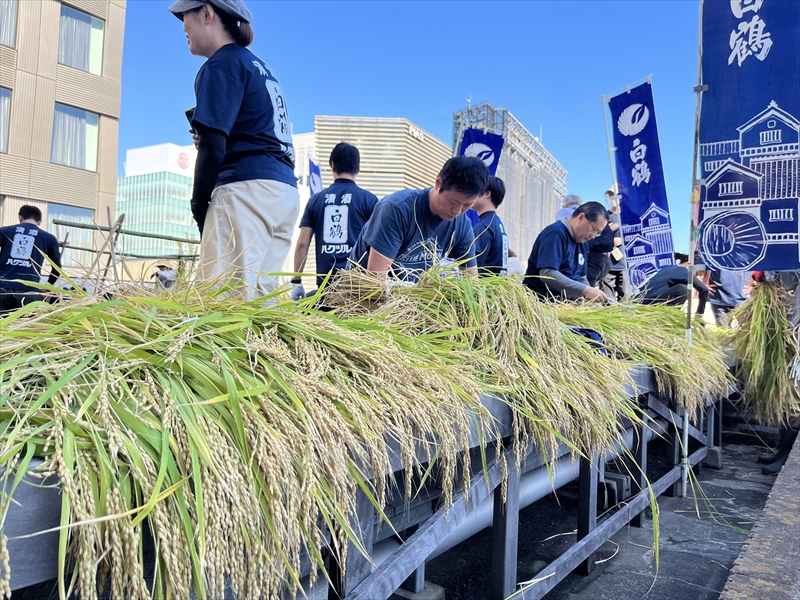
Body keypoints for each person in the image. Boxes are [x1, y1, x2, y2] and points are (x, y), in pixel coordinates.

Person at [169, 0, 299, 299]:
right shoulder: (259, 66)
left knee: (222, 304)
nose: (183, 26)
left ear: (206, 12)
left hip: (246, 192)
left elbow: (213, 148)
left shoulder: (221, 64)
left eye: (184, 17)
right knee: (261, 302)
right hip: (282, 191)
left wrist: (200, 207)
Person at [349, 156, 487, 280]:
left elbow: (471, 281)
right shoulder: (397, 209)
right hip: (362, 295)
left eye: (467, 205)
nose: (457, 211)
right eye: (453, 202)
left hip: (411, 298)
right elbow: (375, 278)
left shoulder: (461, 224)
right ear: (438, 183)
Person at [290, 143, 378, 300]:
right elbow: (378, 243)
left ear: (332, 166)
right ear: (358, 169)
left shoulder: (315, 200)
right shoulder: (369, 200)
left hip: (326, 288)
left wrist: (296, 281)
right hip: (358, 289)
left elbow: (302, 243)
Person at [523, 200, 609, 302]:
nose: (593, 236)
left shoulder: (582, 243)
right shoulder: (556, 234)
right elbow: (547, 273)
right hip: (542, 302)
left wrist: (590, 300)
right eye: (594, 230)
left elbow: (581, 277)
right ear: (580, 217)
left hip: (567, 304)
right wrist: (585, 290)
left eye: (597, 233)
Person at [0, 205, 62, 313]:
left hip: (3, 289)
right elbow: (57, 268)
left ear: (20, 217)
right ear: (39, 222)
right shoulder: (49, 238)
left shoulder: (4, 231)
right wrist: (48, 286)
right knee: (23, 328)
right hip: (30, 294)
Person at [638, 253, 709, 314]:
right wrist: (699, 315)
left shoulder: (670, 269)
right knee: (683, 289)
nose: (697, 277)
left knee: (682, 288)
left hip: (643, 302)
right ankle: (668, 318)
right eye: (696, 274)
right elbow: (704, 289)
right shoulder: (681, 271)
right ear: (688, 265)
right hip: (643, 305)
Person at [472, 176, 508, 276]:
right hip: (495, 286)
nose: (470, 194)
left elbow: (473, 267)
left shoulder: (484, 226)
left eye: (475, 189)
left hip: (482, 288)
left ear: (487, 194)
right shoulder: (497, 223)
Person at [602, 195, 626, 300]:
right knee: (607, 298)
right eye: (610, 195)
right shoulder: (603, 216)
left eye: (615, 194)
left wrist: (623, 240)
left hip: (626, 265)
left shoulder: (629, 216)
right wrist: (610, 241)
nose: (612, 197)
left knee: (627, 297)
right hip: (607, 264)